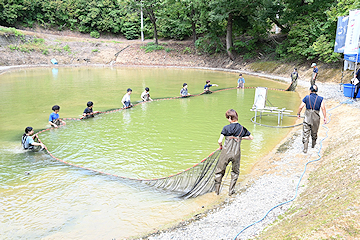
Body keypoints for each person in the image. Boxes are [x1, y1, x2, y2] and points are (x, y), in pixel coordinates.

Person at [215, 109, 254, 196]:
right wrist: (242, 138)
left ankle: (217, 192)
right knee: (235, 172)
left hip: (226, 153)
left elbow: (219, 140)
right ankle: (231, 191)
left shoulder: (226, 128)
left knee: (219, 171)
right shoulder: (242, 128)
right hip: (236, 153)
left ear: (229, 118)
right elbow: (251, 137)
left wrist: (220, 146)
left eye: (227, 118)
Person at [297, 85, 327, 153]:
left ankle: (305, 149)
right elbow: (323, 108)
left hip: (307, 117)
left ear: (310, 90)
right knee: (314, 132)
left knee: (306, 132)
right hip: (316, 118)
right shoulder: (320, 98)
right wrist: (325, 117)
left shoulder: (307, 97)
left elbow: (301, 106)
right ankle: (313, 146)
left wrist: (298, 113)